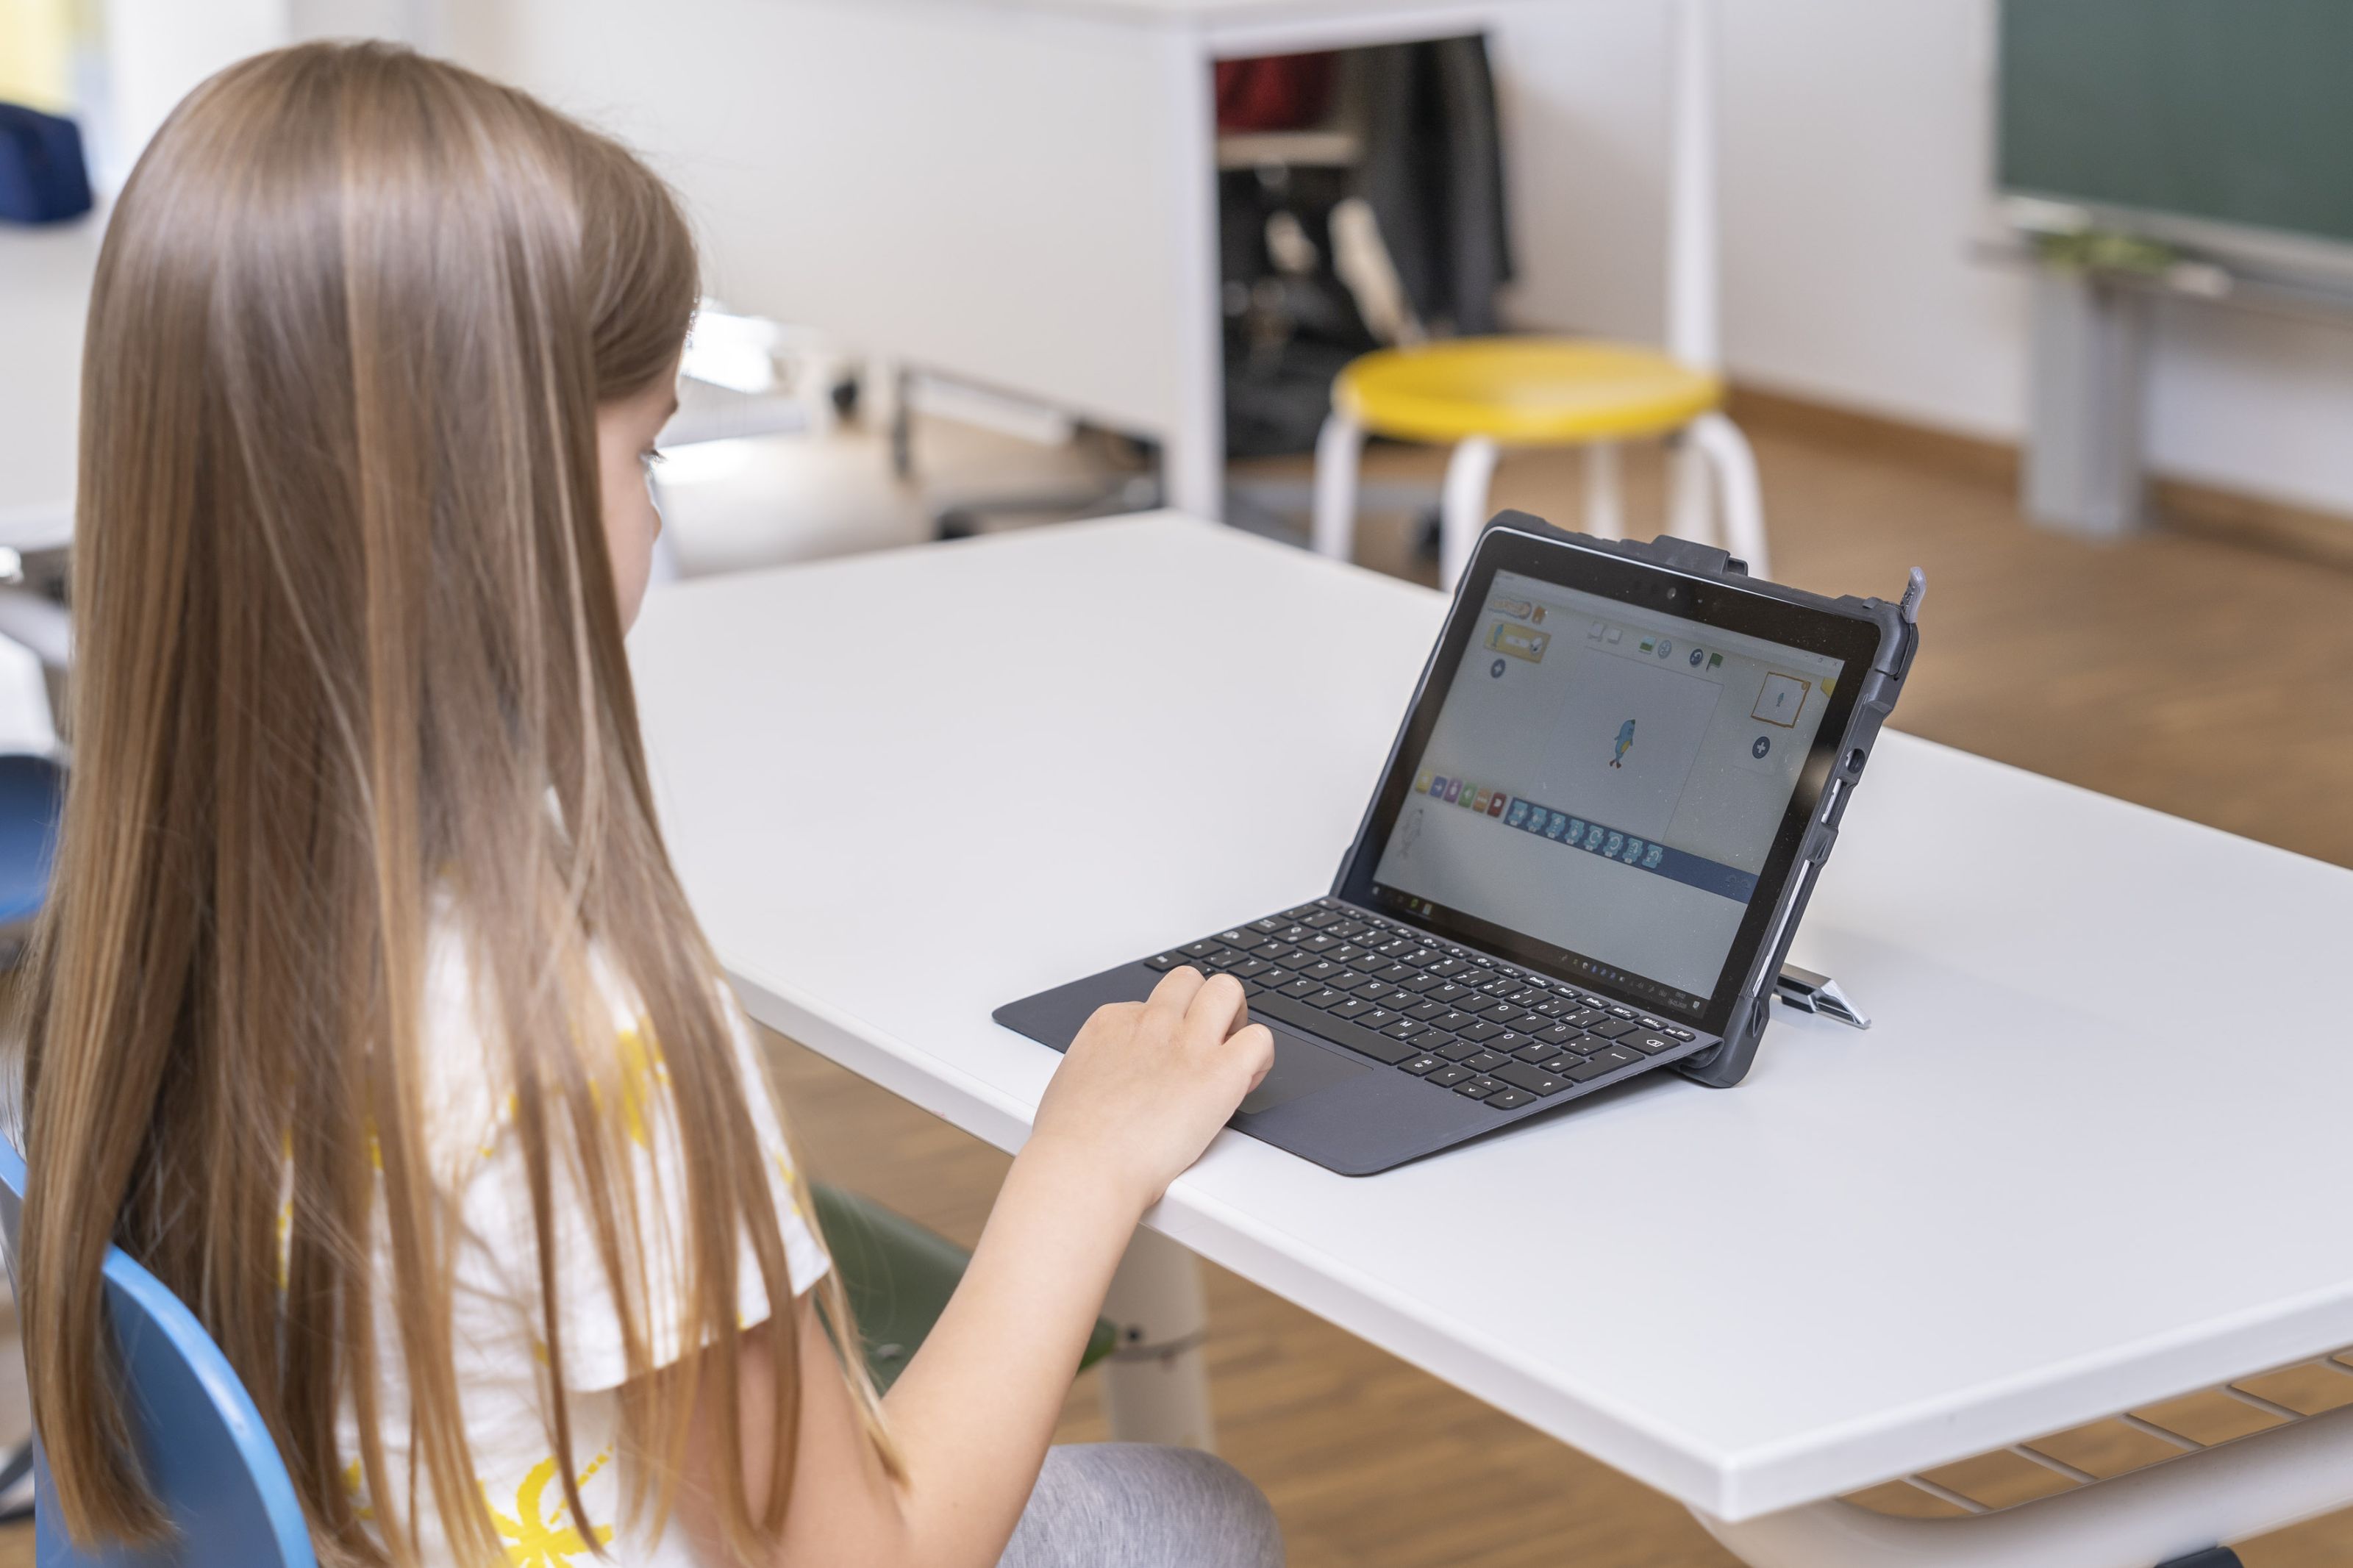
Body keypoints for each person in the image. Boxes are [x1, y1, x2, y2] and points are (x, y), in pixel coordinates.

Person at [13, 40, 1282, 1568]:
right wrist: (1080, 1163)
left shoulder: (129, 915)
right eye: (646, 444)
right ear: (492, 505)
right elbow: (868, 1557)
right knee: (1192, 1515)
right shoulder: (557, 1031)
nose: (659, 507)